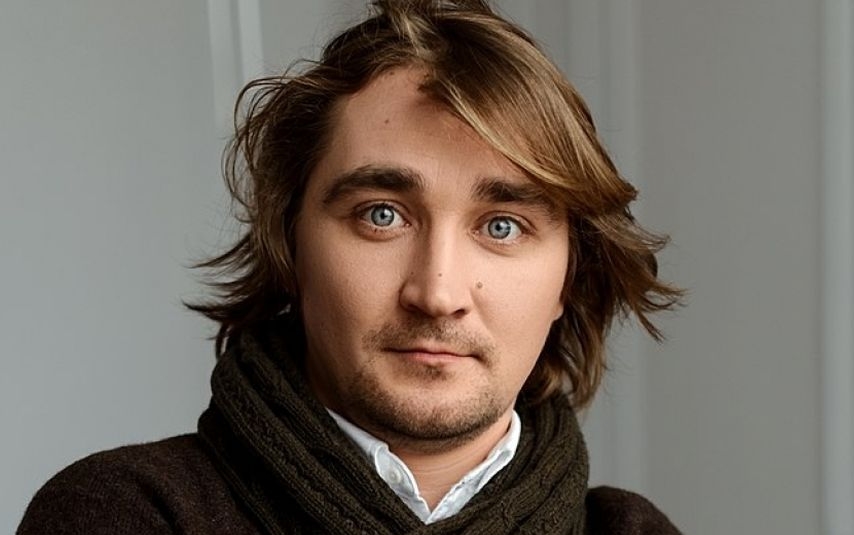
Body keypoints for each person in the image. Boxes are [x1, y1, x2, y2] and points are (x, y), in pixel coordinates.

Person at [18, 1, 684, 533]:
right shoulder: (127, 512)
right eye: (382, 215)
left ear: (569, 277)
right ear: (290, 243)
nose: (437, 292)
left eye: (501, 226)